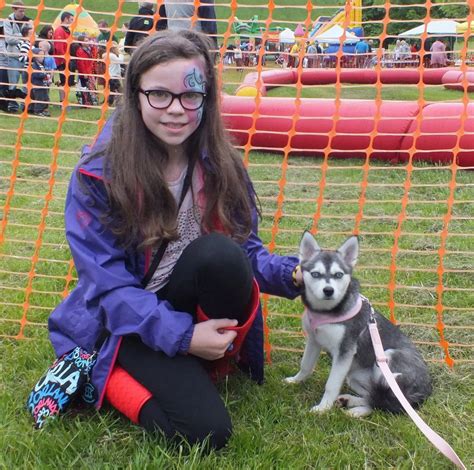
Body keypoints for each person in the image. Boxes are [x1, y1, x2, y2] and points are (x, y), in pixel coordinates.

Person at [47, 29, 303, 451]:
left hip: (181, 302)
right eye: (159, 95)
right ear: (136, 94)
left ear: (207, 97)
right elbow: (109, 288)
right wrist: (185, 337)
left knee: (221, 254)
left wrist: (294, 274)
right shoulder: (97, 177)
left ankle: (200, 364)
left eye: (191, 96)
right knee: (207, 433)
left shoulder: (222, 165)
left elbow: (246, 253)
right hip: (123, 321)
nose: (176, 110)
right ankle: (108, 375)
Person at [3, 0, 31, 112]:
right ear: (14, 10)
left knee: (27, 82)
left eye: (24, 10)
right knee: (12, 83)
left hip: (26, 56)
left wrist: (18, 36)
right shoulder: (8, 21)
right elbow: (9, 39)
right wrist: (22, 35)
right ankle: (13, 105)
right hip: (13, 57)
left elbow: (32, 36)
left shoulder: (28, 21)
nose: (22, 13)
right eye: (20, 11)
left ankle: (27, 104)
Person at [53, 11, 75, 103]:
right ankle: (63, 100)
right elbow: (59, 46)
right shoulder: (59, 30)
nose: (72, 22)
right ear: (65, 19)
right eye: (71, 19)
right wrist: (64, 59)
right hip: (62, 61)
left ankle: (64, 100)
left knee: (67, 81)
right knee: (63, 81)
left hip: (67, 59)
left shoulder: (67, 30)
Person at [27, 48, 51, 116]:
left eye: (43, 55)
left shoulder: (41, 65)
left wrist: (47, 76)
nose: (42, 57)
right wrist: (44, 75)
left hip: (43, 85)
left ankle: (44, 110)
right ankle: (38, 111)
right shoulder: (34, 65)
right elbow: (36, 74)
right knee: (39, 99)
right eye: (40, 55)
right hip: (37, 86)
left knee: (45, 98)